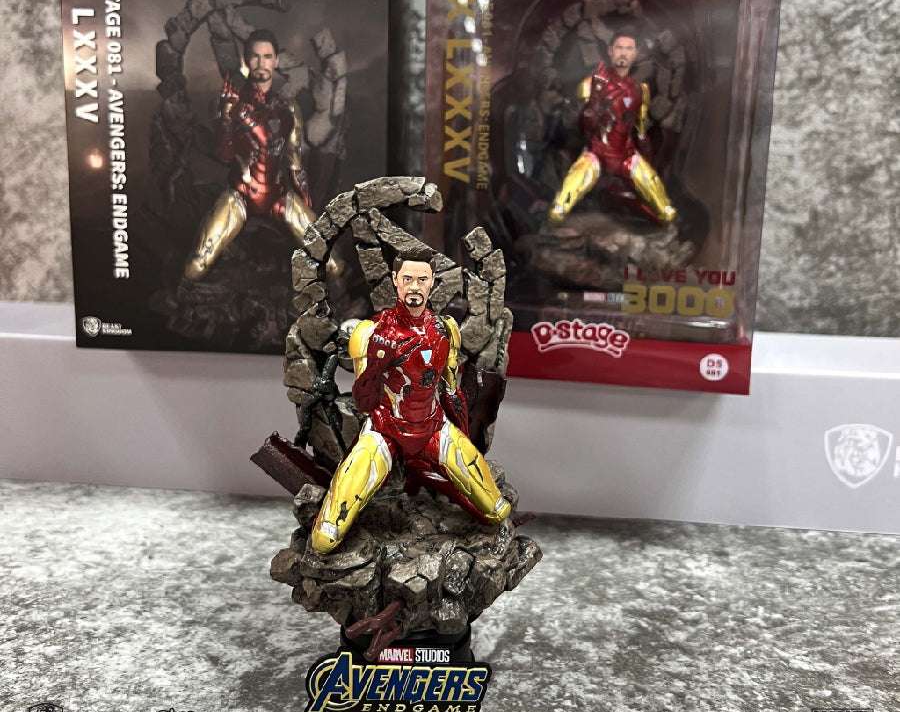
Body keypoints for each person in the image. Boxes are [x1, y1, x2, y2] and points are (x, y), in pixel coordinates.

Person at [310, 247, 512, 555]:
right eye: (407, 279)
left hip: (432, 429)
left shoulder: (446, 330)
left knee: (498, 510)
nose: (414, 287)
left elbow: (451, 392)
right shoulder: (370, 333)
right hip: (385, 431)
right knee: (326, 536)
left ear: (432, 281)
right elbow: (363, 402)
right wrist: (377, 364)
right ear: (395, 280)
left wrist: (464, 439)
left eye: (422, 279)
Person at [184, 29, 318, 280]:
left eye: (267, 56)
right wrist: (227, 116)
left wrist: (307, 208)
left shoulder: (288, 108)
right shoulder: (230, 102)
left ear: (276, 60)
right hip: (240, 196)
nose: (261, 63)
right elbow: (224, 156)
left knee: (333, 264)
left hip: (279, 197)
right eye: (255, 56)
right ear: (245, 60)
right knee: (196, 266)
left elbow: (295, 163)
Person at [547, 30, 676, 227]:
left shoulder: (640, 90)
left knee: (666, 211)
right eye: (619, 48)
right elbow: (585, 126)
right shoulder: (590, 85)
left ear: (635, 53)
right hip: (596, 152)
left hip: (626, 154)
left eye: (629, 49)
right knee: (559, 208)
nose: (623, 53)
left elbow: (641, 132)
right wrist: (596, 96)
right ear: (610, 51)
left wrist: (648, 160)